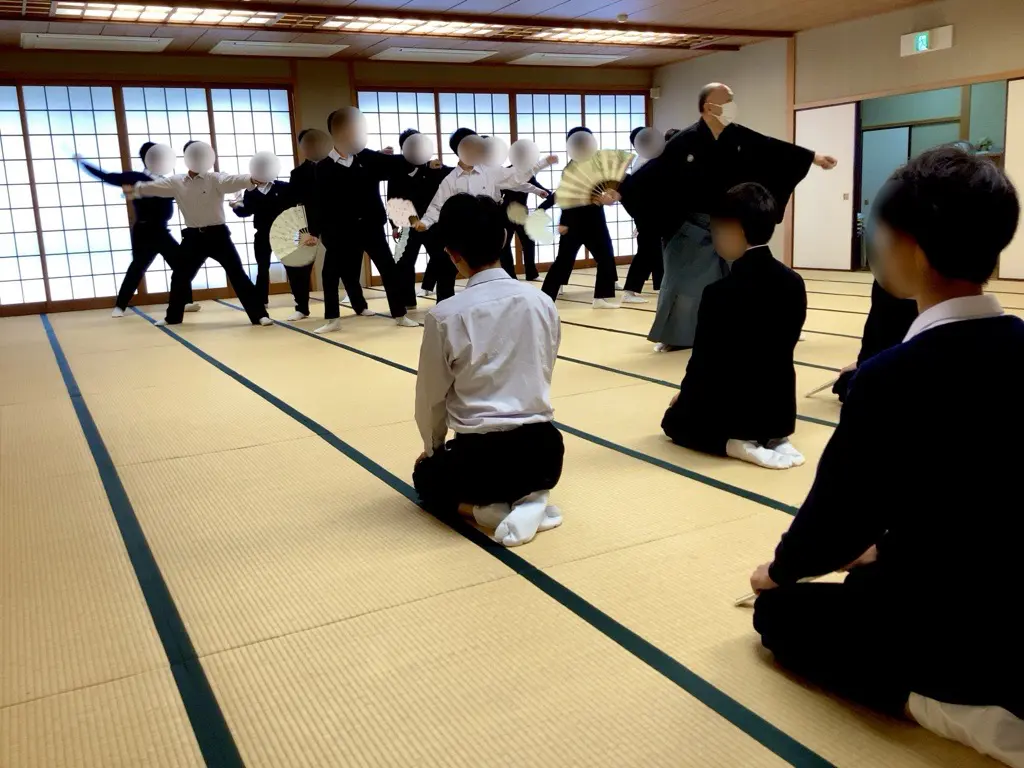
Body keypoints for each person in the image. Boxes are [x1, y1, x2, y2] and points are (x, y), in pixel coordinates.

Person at [750, 147, 1023, 767]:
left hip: (952, 619)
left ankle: (947, 707)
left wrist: (779, 571)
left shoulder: (891, 377)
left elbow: (840, 515)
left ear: (913, 252)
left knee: (781, 616)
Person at [621, 83, 836, 351]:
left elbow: (771, 148)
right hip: (691, 224)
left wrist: (813, 157)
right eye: (726, 101)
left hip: (732, 222)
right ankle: (676, 337)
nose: (731, 105)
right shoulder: (684, 141)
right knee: (682, 283)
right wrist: (621, 189)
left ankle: (766, 327)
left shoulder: (737, 136)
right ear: (708, 106)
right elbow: (653, 175)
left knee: (750, 278)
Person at [413, 193, 564, 548]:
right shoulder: (542, 302)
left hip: (480, 461)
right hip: (545, 453)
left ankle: (487, 512)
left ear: (452, 254)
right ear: (505, 238)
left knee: (425, 477)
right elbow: (544, 366)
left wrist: (433, 449)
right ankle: (532, 500)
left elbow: (431, 398)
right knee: (521, 470)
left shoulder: (445, 315)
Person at [661, 182, 807, 469]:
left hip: (734, 413)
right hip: (779, 409)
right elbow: (784, 345)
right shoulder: (794, 282)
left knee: (673, 421)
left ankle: (734, 444)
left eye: (716, 231)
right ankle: (777, 439)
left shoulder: (719, 292)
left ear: (735, 230)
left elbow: (704, 362)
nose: (715, 239)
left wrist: (686, 396)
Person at [126, 140, 271, 327]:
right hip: (193, 237)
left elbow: (232, 181)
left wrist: (251, 179)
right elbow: (155, 186)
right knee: (180, 276)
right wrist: (136, 188)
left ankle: (259, 315)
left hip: (218, 236)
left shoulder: (215, 178)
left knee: (237, 274)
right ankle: (172, 317)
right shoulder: (177, 181)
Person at [303, 106, 419, 334]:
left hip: (370, 225)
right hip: (339, 229)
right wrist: (314, 232)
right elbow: (318, 203)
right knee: (330, 274)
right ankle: (332, 319)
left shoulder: (367, 157)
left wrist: (415, 153)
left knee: (388, 268)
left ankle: (400, 314)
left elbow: (398, 165)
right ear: (335, 133)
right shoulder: (323, 167)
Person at [80, 143, 198, 318]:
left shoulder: (166, 180)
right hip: (144, 231)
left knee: (181, 265)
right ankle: (120, 306)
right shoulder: (136, 177)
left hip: (162, 231)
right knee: (137, 268)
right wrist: (83, 163)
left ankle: (185, 302)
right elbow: (107, 176)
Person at [414, 128, 556, 233]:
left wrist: (541, 164)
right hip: (464, 231)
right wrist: (425, 222)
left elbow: (515, 177)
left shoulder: (490, 170)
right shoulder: (450, 180)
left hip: (490, 226)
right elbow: (437, 206)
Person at [540, 127, 620, 308]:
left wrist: (609, 196)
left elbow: (606, 188)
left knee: (605, 257)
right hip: (576, 220)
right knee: (564, 260)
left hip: (594, 218)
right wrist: (561, 221)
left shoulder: (594, 165)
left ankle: (601, 297)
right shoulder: (572, 168)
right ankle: (546, 298)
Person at [388, 128, 456, 303]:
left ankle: (445, 299)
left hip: (433, 222)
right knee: (405, 262)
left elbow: (452, 177)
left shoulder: (434, 166)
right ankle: (407, 300)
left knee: (443, 260)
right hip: (408, 222)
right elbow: (393, 198)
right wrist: (394, 225)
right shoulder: (397, 170)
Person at [274, 128, 329, 322]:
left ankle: (358, 303)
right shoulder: (297, 173)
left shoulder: (334, 166)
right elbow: (292, 201)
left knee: (344, 263)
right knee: (300, 268)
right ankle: (302, 307)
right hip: (308, 224)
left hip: (333, 222)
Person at [832, 280, 918, 402]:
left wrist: (862, 363)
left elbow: (877, 335)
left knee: (851, 384)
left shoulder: (888, 282)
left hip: (900, 370)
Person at [229, 151, 289, 310]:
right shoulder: (250, 191)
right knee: (263, 267)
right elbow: (245, 212)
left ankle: (300, 300)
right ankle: (262, 300)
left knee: (291, 266)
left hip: (283, 233)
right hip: (262, 233)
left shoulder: (283, 187)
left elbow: (293, 207)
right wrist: (236, 205)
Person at [621, 127, 666, 303]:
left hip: (651, 213)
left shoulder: (649, 158)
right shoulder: (643, 161)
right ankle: (629, 291)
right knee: (646, 251)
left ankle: (661, 286)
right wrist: (639, 220)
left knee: (654, 250)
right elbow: (638, 194)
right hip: (647, 213)